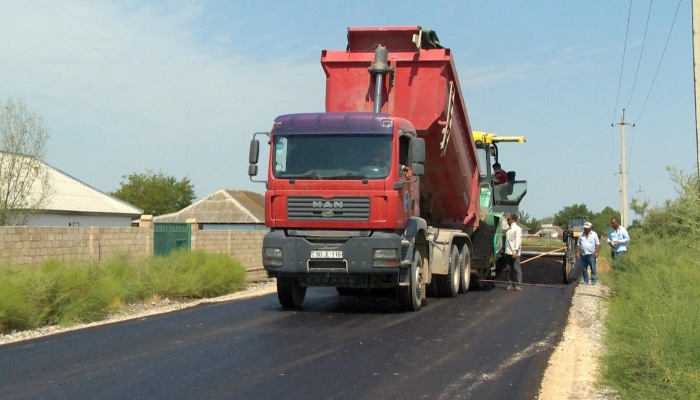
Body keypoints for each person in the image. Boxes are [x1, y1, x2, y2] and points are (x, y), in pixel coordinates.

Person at [504, 213, 523, 291]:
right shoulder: (509, 229)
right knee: (509, 268)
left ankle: (518, 285)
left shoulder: (517, 229)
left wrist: (515, 251)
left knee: (516, 268)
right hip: (508, 252)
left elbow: (517, 240)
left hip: (514, 252)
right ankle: (511, 284)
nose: (507, 220)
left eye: (509, 219)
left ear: (513, 220)